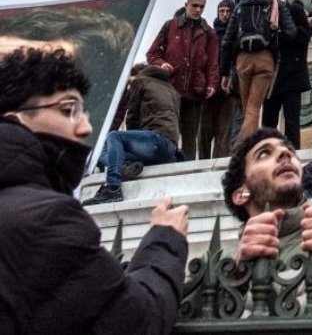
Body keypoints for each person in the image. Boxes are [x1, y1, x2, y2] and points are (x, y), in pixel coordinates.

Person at [0, 46, 189, 333]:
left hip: (153, 143)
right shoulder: (48, 218)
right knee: (112, 140)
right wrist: (166, 237)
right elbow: (138, 321)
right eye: (68, 110)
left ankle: (118, 173)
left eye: (83, 111)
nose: (86, 127)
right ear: (16, 121)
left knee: (113, 139)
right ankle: (118, 175)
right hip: (169, 146)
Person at [222, 128, 312, 265]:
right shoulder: (218, 264)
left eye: (290, 150)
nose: (285, 153)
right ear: (241, 195)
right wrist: (236, 276)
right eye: (264, 153)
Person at [85, 62, 181, 204]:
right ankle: (126, 166)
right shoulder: (171, 89)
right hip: (169, 148)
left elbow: (132, 117)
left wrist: (127, 142)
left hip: (156, 141)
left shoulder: (140, 81)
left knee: (113, 137)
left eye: (129, 82)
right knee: (107, 151)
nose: (129, 87)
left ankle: (113, 188)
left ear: (136, 75)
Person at [220, 0, 297, 143]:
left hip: (242, 60)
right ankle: (244, 147)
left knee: (247, 106)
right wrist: (274, 36)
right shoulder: (275, 2)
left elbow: (226, 41)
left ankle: (242, 146)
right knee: (254, 108)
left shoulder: (240, 5)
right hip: (264, 59)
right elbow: (291, 32)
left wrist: (225, 72)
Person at [146, 0, 218, 160]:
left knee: (190, 136)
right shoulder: (170, 26)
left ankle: (187, 166)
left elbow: (213, 62)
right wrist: (161, 64)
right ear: (186, 4)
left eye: (202, 6)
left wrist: (212, 84)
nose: (198, 9)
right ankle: (166, 164)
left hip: (195, 91)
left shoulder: (209, 33)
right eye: (195, 5)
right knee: (168, 131)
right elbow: (152, 54)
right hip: (171, 89)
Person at [262, 0, 311, 149]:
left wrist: (279, 36)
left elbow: (304, 37)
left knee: (292, 120)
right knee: (268, 120)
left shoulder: (294, 10)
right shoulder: (263, 14)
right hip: (272, 75)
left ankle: (293, 152)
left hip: (292, 74)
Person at [199, 0, 238, 159]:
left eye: (228, 11)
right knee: (205, 131)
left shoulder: (237, 33)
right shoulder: (210, 33)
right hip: (211, 86)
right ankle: (202, 162)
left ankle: (219, 162)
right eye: (221, 11)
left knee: (225, 130)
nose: (225, 14)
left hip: (230, 88)